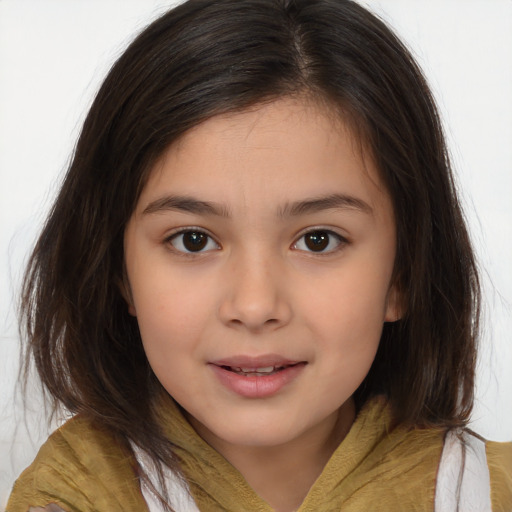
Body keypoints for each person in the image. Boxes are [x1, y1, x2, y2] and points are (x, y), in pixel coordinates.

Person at [6, 0, 512, 510]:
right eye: (193, 240)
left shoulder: (493, 493)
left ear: (403, 274)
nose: (253, 306)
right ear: (119, 271)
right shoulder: (68, 498)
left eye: (318, 240)